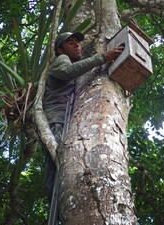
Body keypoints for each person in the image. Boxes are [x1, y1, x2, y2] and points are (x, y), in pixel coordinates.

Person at [43, 31, 124, 202]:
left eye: (77, 42)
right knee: (56, 165)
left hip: (64, 119)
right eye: (70, 43)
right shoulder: (62, 60)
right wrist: (102, 57)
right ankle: (55, 205)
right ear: (60, 50)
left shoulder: (73, 65)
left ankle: (58, 204)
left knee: (61, 164)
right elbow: (66, 72)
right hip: (57, 119)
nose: (76, 45)